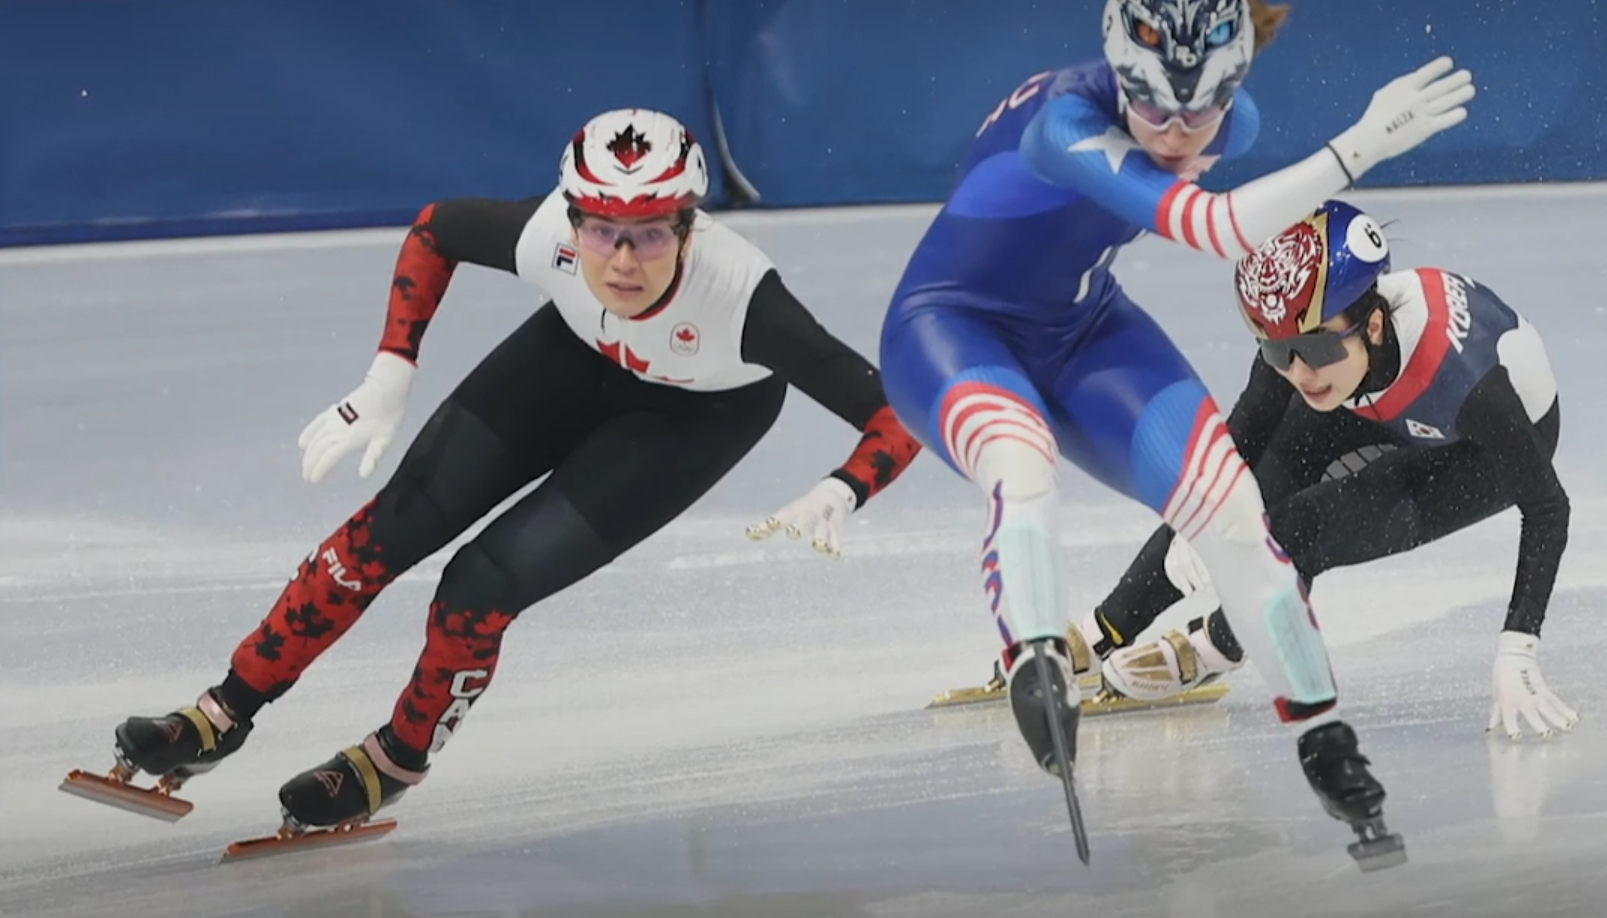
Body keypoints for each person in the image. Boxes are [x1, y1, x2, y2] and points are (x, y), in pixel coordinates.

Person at [74, 108, 922, 836]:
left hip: (694, 417)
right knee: (385, 529)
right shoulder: (547, 234)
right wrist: (389, 372)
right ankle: (222, 711)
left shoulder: (744, 301)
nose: (622, 262)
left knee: (478, 589)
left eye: (651, 233)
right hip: (571, 355)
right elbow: (436, 229)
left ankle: (397, 758)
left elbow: (896, 410)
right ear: (573, 220)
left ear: (690, 228)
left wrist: (844, 484)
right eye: (601, 231)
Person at [876, 0, 1474, 860]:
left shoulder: (1232, 120)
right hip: (950, 326)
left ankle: (1325, 737)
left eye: (1201, 108)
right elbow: (1216, 227)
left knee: (1232, 507)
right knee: (1020, 457)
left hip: (1079, 324)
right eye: (1152, 106)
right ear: (1118, 75)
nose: (1176, 131)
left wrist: (1320, 723)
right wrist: (1358, 148)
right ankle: (1035, 658)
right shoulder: (1062, 125)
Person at [1086, 198, 1576, 742]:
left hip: (1474, 450)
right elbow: (1239, 442)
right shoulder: (1303, 340)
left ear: (1373, 324)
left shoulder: (1472, 384)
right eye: (1276, 351)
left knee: (1299, 531)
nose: (1297, 370)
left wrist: (1519, 646)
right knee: (1249, 483)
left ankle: (1217, 646)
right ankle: (1101, 630)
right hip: (1374, 399)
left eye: (1315, 348)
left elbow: (1549, 507)